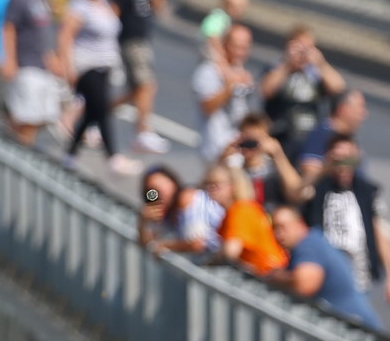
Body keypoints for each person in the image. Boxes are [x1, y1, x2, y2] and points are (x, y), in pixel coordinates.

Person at [302, 133, 390, 309]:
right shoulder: (318, 189)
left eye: (350, 160)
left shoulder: (367, 191)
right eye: (340, 161)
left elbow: (380, 233)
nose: (344, 167)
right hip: (325, 276)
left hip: (359, 277)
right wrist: (325, 168)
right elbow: (297, 192)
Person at [58, 0, 138, 173]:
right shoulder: (81, 7)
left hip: (106, 66)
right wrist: (68, 68)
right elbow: (65, 37)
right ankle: (112, 156)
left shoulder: (105, 7)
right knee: (101, 109)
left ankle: (69, 154)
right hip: (86, 65)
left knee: (94, 111)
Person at [268, 204, 381, 329]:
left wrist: (278, 278)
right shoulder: (313, 241)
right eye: (275, 228)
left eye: (283, 227)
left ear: (299, 224)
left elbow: (305, 284)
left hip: (356, 330)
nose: (278, 234)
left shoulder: (308, 244)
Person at [1, 0, 64, 146]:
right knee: (27, 117)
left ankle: (16, 141)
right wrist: (10, 60)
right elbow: (9, 29)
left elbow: (43, 34)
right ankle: (18, 148)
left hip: (42, 64)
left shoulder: (41, 0)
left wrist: (52, 57)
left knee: (43, 116)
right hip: (26, 63)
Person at [260, 27, 345, 161]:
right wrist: (288, 64)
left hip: (309, 139)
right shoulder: (277, 68)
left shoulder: (316, 74)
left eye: (308, 48)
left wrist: (321, 64)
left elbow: (338, 87)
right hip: (281, 136)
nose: (304, 53)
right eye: (300, 47)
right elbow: (266, 90)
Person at [115, 0, 169, 154]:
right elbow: (115, 12)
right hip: (131, 41)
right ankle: (142, 131)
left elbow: (159, 7)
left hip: (143, 41)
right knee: (147, 86)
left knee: (136, 92)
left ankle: (94, 112)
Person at [193, 23, 260, 163]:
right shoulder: (208, 71)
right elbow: (207, 107)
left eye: (245, 48)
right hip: (215, 147)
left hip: (238, 148)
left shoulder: (242, 72)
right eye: (236, 47)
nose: (240, 52)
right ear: (225, 45)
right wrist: (230, 86)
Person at [213, 165, 287, 275]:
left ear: (233, 186)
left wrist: (211, 260)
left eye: (216, 185)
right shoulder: (243, 208)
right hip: (265, 273)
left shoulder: (241, 209)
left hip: (267, 273)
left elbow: (230, 251)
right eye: (207, 184)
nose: (210, 190)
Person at [136, 166, 220, 255]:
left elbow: (197, 244)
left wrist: (164, 246)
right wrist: (143, 222)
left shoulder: (188, 199)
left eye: (162, 186)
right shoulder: (170, 212)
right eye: (154, 191)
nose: (161, 193)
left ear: (172, 182)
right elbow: (148, 244)